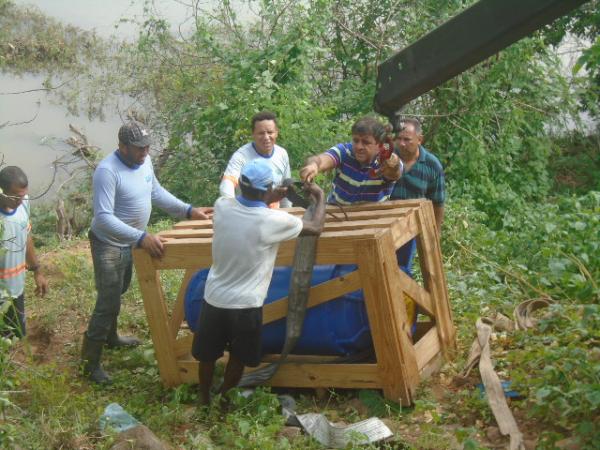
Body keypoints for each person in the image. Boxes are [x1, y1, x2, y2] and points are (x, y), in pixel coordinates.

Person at [81, 120, 212, 384]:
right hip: (108, 242)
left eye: (147, 147)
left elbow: (156, 192)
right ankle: (89, 363)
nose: (145, 153)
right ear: (122, 147)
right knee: (108, 300)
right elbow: (104, 217)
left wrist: (188, 210)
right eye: (139, 149)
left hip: (131, 240)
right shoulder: (107, 171)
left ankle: (112, 337)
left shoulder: (144, 162)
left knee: (120, 289)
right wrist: (141, 237)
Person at [193, 159, 326, 406]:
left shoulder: (222, 206)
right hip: (246, 305)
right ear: (268, 190)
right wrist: (320, 196)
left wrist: (269, 193)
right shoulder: (273, 221)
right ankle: (224, 400)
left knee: (208, 355)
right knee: (238, 357)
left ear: (241, 185)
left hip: (214, 298)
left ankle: (203, 397)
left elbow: (250, 205)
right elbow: (316, 227)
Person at [299, 116, 402, 204]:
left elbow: (394, 172)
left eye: (366, 142)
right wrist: (313, 165)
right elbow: (321, 160)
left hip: (374, 221)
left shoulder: (385, 160)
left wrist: (392, 163)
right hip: (336, 215)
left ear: (379, 145)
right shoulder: (345, 151)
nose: (359, 147)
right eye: (356, 141)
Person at [390, 117, 445, 277]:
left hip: (410, 227)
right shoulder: (387, 157)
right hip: (384, 222)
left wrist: (435, 233)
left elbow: (438, 202)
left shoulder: (431, 165)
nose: (401, 144)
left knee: (402, 269)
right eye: (398, 139)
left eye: (407, 139)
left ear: (419, 140)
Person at [0, 166, 48, 338]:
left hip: (16, 290)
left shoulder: (23, 203)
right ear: (1, 192)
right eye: (15, 196)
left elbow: (26, 235)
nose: (20, 200)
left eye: (23, 195)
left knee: (17, 337)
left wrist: (37, 271)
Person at [219, 111, 292, 207]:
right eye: (261, 133)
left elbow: (286, 189)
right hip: (248, 215)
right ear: (253, 134)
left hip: (274, 216)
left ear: (276, 133)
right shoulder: (241, 156)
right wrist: (232, 210)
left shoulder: (282, 154)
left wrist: (287, 212)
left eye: (270, 132)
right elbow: (227, 184)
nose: (266, 137)